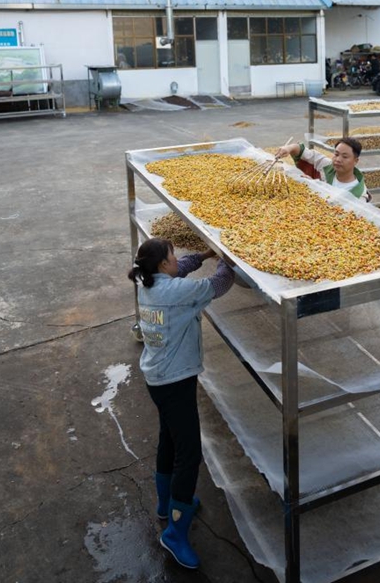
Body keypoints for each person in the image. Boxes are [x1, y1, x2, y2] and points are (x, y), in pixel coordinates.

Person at [128, 238, 234, 570]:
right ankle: (175, 532)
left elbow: (182, 268)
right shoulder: (175, 293)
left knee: (169, 440)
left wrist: (203, 253)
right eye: (172, 257)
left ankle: (165, 504)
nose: (177, 260)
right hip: (175, 382)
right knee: (189, 455)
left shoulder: (148, 283)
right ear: (162, 265)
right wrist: (228, 258)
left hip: (157, 377)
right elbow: (219, 284)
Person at [276, 136, 370, 201]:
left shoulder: (359, 194)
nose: (338, 159)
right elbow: (301, 151)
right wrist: (288, 148)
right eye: (336, 154)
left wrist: (316, 187)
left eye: (345, 157)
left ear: (355, 161)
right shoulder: (327, 166)